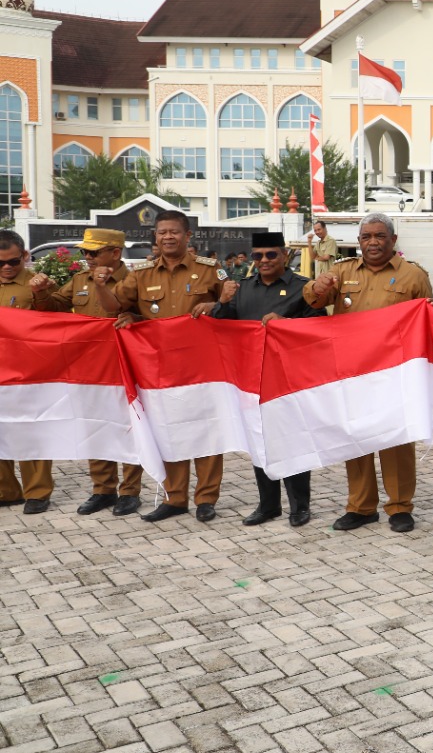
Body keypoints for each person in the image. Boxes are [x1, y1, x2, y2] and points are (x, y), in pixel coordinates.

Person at [99, 211, 234, 524]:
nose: (168, 237)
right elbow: (115, 306)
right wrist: (110, 294)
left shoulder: (210, 269)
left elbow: (233, 305)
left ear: (188, 236)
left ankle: (206, 499)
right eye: (162, 233)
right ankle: (175, 498)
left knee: (206, 429)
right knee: (168, 430)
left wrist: (215, 305)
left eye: (174, 232)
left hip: (202, 366)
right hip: (159, 369)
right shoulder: (141, 274)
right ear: (156, 237)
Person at [304, 212, 433, 533]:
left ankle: (400, 506)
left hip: (395, 372)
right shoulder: (342, 271)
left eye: (379, 236)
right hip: (353, 372)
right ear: (359, 241)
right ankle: (361, 507)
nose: (373, 242)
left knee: (397, 438)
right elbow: (315, 302)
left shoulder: (413, 275)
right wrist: (317, 286)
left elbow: (428, 318)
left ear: (393, 240)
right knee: (356, 436)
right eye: (366, 237)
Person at [205, 231, 323, 527]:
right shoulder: (242, 288)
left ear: (284, 255)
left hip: (288, 377)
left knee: (293, 441)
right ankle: (268, 505)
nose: (264, 260)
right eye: (258, 255)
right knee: (259, 440)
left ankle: (299, 506)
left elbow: (319, 325)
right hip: (251, 377)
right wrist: (222, 302)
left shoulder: (303, 287)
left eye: (271, 254)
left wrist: (288, 324)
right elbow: (221, 326)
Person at [31, 228, 143, 515]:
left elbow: (150, 316)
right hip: (89, 368)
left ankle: (130, 491)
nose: (87, 257)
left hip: (124, 365)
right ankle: (103, 490)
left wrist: (135, 317)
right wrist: (41, 293)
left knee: (129, 427)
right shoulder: (81, 279)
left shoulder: (136, 279)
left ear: (115, 253)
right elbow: (55, 307)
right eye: (84, 252)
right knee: (95, 425)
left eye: (94, 252)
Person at [0, 230, 54, 514]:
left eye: (13, 261)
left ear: (24, 255)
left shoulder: (39, 284)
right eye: (0, 263)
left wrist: (41, 293)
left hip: (28, 371)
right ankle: (6, 491)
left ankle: (38, 492)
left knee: (30, 430)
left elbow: (54, 318)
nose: (7, 267)